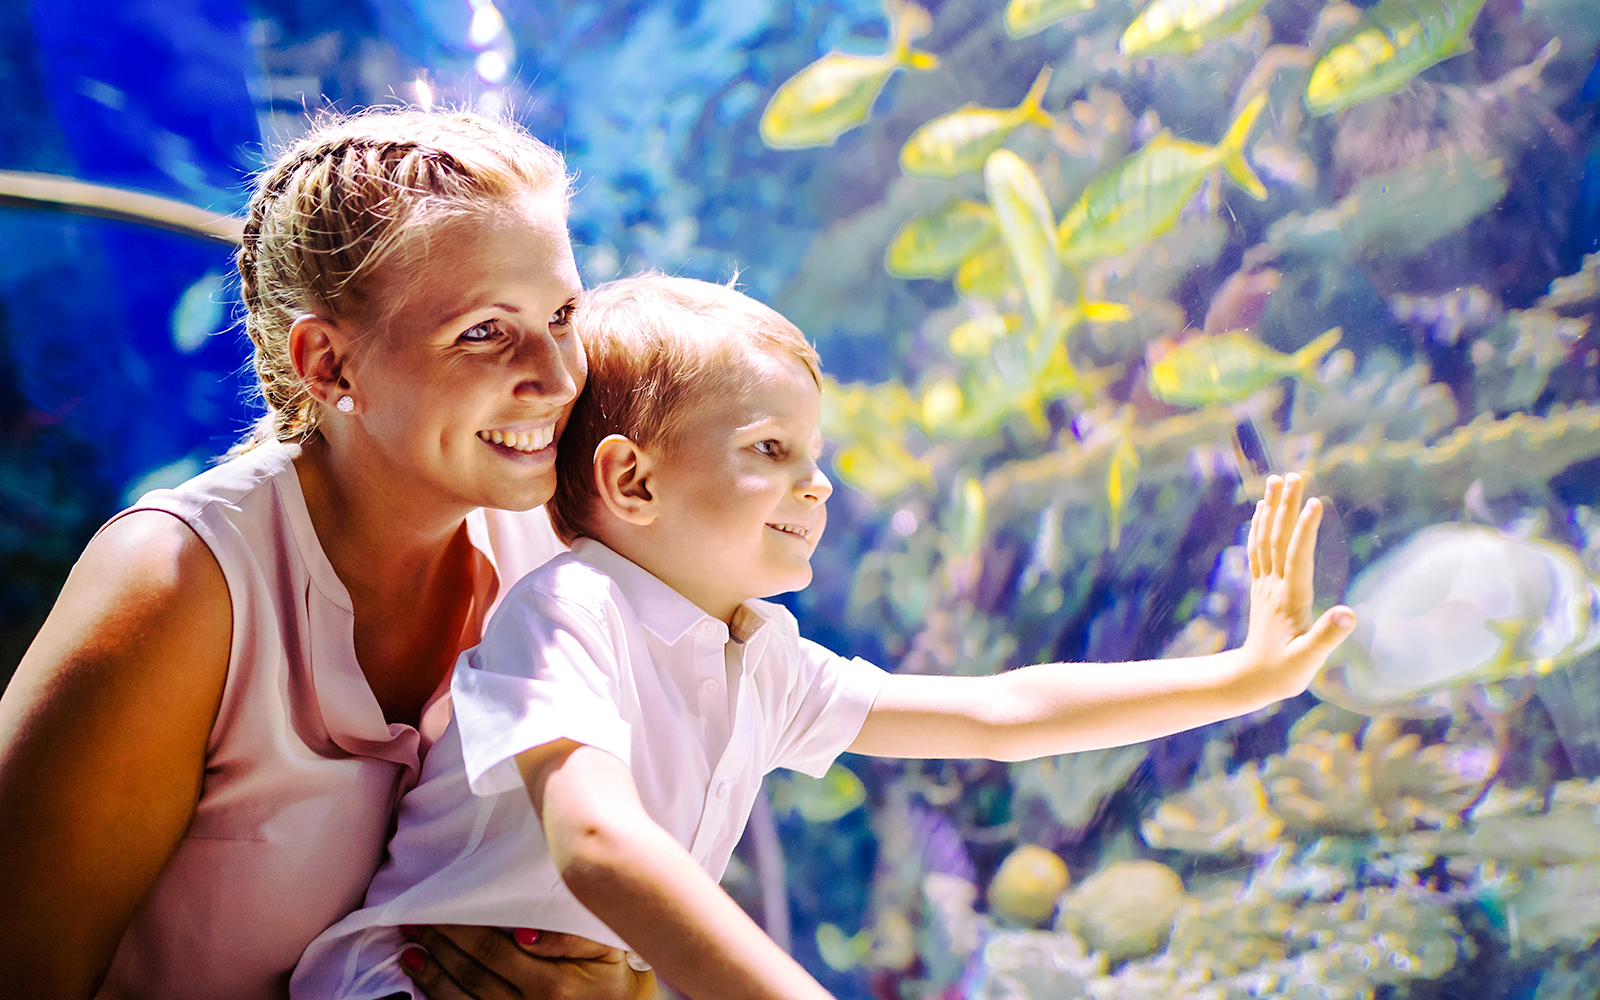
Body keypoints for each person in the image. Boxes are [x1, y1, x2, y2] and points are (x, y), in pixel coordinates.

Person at [292, 274, 1358, 1000]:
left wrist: (1241, 675)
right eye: (771, 447)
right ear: (631, 477)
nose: (819, 480)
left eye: (816, 449)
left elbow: (1001, 714)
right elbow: (597, 843)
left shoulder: (762, 656)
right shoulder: (575, 610)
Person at [0, 108, 652, 1000]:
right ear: (329, 363)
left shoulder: (567, 551)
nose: (558, 374)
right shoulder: (182, 583)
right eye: (483, 331)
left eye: (562, 314)